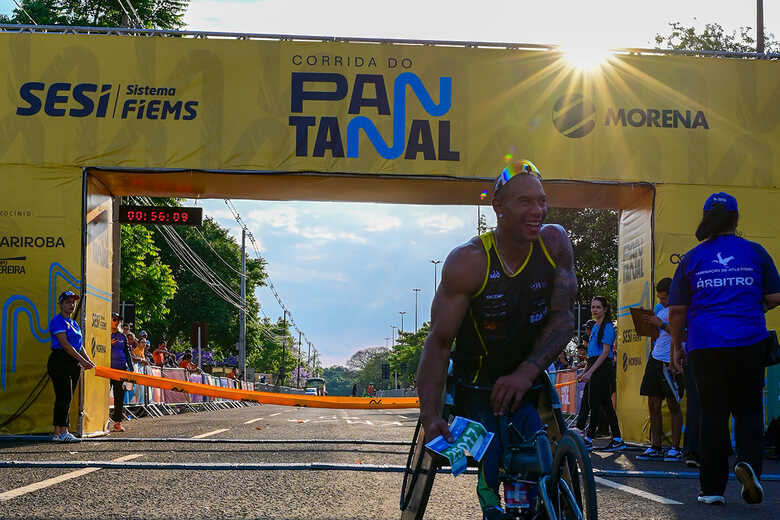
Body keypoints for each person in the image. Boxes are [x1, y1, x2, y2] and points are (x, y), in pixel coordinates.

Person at [417, 159, 577, 520]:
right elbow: (439, 343)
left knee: (539, 447)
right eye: (525, 202)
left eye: (542, 200)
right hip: (477, 385)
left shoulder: (555, 244)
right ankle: (493, 506)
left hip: (528, 377)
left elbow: (564, 318)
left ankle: (548, 503)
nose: (537, 211)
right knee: (495, 449)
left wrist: (526, 371)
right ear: (498, 207)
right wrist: (430, 416)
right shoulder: (469, 262)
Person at [670, 192, 780, 505]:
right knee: (748, 410)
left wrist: (677, 346)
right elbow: (775, 296)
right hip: (748, 341)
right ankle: (748, 465)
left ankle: (712, 489)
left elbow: (677, 310)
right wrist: (752, 304)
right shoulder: (754, 252)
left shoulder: (692, 258)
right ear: (736, 219)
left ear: (705, 217)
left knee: (712, 415)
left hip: (705, 346)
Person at [639, 278, 683, 459]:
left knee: (673, 404)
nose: (661, 301)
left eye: (664, 298)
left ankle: (675, 448)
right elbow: (659, 334)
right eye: (659, 298)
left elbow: (683, 334)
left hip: (671, 361)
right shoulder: (660, 310)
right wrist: (648, 325)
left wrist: (662, 324)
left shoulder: (681, 310)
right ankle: (655, 445)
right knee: (653, 404)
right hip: (655, 358)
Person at [577, 297, 625, 451]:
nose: (595, 310)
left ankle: (589, 438)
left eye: (598, 307)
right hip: (594, 365)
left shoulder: (608, 327)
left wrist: (591, 372)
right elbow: (592, 355)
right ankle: (617, 437)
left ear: (605, 309)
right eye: (593, 307)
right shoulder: (595, 326)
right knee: (606, 404)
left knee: (594, 403)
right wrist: (585, 371)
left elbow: (605, 353)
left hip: (603, 368)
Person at [48, 290, 95, 442]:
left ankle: (59, 431)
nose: (71, 305)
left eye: (73, 302)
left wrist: (88, 360)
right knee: (63, 396)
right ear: (61, 304)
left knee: (67, 398)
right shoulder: (57, 321)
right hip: (60, 360)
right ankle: (61, 432)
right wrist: (82, 361)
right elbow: (66, 345)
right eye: (67, 302)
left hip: (73, 363)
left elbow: (79, 346)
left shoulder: (74, 323)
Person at [110, 312, 133, 432]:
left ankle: (117, 423)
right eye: (114, 319)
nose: (116, 322)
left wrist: (131, 368)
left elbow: (128, 353)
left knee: (119, 397)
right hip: (107, 370)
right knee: (103, 397)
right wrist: (108, 344)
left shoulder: (122, 337)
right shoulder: (104, 335)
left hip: (121, 370)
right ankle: (101, 421)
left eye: (118, 320)